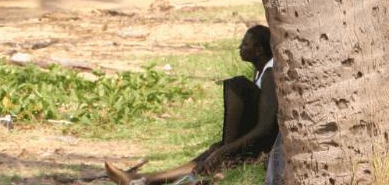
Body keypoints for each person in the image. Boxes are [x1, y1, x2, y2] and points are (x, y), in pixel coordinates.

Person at [105, 25, 278, 184]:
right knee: (206, 156)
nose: (239, 48)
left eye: (245, 45)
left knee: (236, 85)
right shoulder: (260, 71)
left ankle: (222, 161)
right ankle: (142, 179)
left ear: (258, 50)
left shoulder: (270, 74)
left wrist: (227, 150)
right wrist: (222, 147)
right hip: (250, 140)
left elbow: (265, 127)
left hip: (265, 144)